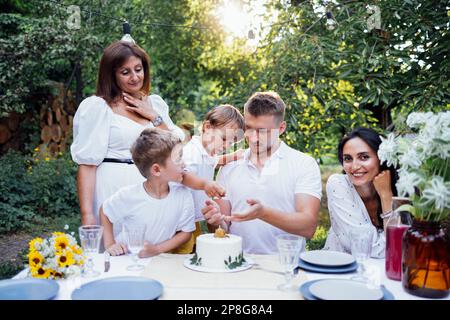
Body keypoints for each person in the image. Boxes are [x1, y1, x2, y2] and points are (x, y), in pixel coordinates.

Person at [70, 41, 184, 237]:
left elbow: (176, 147)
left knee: (151, 249)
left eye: (138, 69)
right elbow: (87, 165)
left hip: (152, 187)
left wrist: (153, 116)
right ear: (111, 74)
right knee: (114, 251)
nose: (135, 77)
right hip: (112, 186)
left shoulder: (155, 104)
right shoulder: (98, 107)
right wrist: (87, 214)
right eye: (125, 72)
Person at [201, 92, 322, 254]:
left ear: (281, 128)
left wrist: (263, 213)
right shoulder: (229, 166)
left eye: (262, 131)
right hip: (237, 264)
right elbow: (223, 227)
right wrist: (215, 221)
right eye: (248, 128)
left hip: (285, 265)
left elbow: (308, 228)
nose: (252, 138)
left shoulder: (303, 164)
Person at [100, 128, 195, 257]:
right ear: (156, 170)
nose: (184, 164)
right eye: (178, 159)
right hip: (127, 260)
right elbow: (105, 211)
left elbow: (186, 233)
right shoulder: (130, 195)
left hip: (159, 262)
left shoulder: (183, 195)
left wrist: (156, 250)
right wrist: (110, 244)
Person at [178, 104, 245, 253]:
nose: (227, 145)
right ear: (207, 127)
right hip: (179, 221)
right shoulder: (192, 152)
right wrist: (205, 184)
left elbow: (215, 161)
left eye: (231, 143)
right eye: (224, 139)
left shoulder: (207, 153)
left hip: (192, 221)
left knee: (191, 250)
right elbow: (183, 176)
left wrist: (233, 156)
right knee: (180, 256)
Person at [323, 128, 396, 258]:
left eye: (364, 157)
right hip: (340, 272)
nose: (355, 166)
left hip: (387, 275)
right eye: (348, 159)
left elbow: (401, 248)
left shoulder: (399, 186)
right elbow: (374, 250)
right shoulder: (338, 184)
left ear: (381, 158)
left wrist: (386, 195)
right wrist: (386, 196)